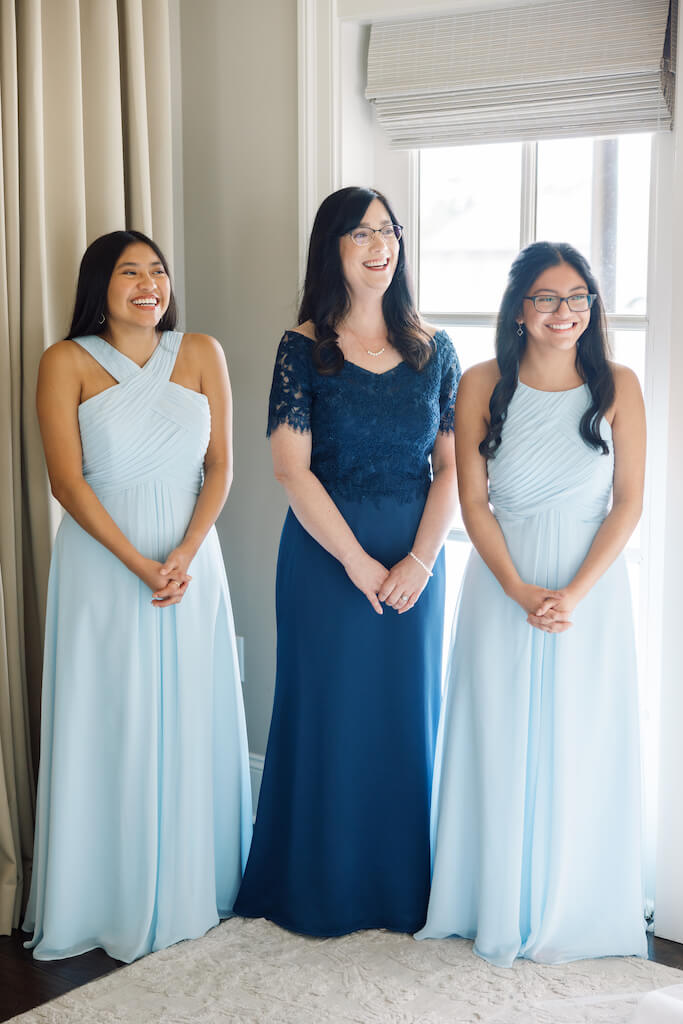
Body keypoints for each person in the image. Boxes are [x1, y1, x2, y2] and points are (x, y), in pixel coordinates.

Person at [234, 186, 460, 936]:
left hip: (416, 556)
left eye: (387, 230)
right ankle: (315, 891)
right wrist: (361, 565)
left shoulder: (436, 349)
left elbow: (453, 469)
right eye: (360, 233)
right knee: (327, 716)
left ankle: (403, 894)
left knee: (403, 718)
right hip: (326, 557)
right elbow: (290, 470)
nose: (378, 244)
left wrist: (420, 563)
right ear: (331, 248)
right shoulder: (302, 348)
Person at [23, 230, 252, 962]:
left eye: (157, 271)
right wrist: (137, 563)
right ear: (100, 285)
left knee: (189, 709)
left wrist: (182, 553)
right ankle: (105, 894)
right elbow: (67, 482)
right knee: (110, 715)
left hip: (190, 562)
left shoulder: (202, 352)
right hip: (104, 565)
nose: (148, 284)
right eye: (130, 272)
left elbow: (221, 466)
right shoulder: (64, 362)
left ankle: (198, 882)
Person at [416, 241, 647, 965]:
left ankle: (573, 900)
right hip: (501, 581)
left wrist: (571, 592)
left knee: (580, 738)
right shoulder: (483, 381)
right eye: (547, 297)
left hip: (589, 588)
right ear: (519, 308)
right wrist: (517, 587)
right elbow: (471, 500)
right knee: (498, 731)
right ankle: (489, 899)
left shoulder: (617, 384)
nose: (564, 311)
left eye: (577, 296)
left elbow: (629, 502)